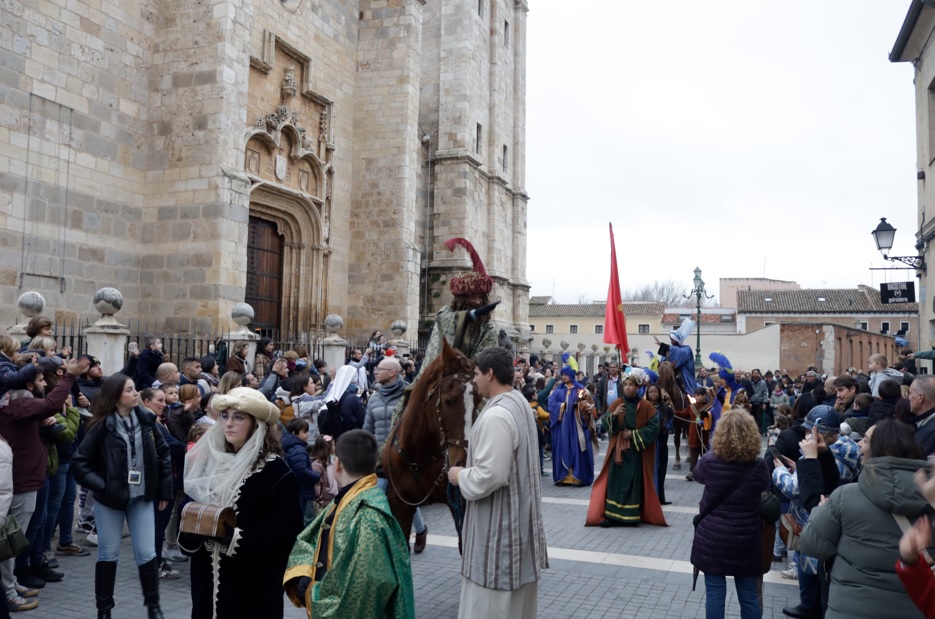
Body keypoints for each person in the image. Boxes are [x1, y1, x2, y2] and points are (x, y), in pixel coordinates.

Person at [181, 387, 303, 619]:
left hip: (250, 582)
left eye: (238, 417)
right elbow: (191, 505)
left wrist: (236, 537)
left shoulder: (276, 471)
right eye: (225, 416)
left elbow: (288, 530)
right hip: (207, 576)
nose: (228, 423)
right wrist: (191, 531)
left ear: (256, 425)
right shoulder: (211, 463)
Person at [447, 347, 548, 619]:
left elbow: (491, 475)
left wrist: (459, 476)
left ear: (490, 374)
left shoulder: (496, 416)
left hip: (499, 538)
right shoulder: (519, 404)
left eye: (477, 374)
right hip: (518, 530)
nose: (474, 380)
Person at [800, 419, 929, 619]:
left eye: (866, 441)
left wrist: (820, 511)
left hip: (850, 608)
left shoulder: (846, 497)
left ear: (880, 449)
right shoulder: (931, 500)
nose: (859, 445)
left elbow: (812, 544)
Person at [71, 373, 173, 619]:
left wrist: (164, 491)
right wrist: (104, 486)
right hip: (110, 501)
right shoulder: (102, 426)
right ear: (116, 397)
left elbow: (164, 455)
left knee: (146, 553)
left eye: (135, 388)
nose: (136, 393)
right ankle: (104, 610)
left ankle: (153, 606)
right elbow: (79, 464)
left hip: (141, 498)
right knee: (108, 554)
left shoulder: (147, 422)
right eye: (129, 390)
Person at [284, 430, 415, 618]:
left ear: (337, 464)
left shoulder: (368, 517)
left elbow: (366, 591)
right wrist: (305, 572)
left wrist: (314, 595)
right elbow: (311, 538)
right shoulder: (347, 500)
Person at [690, 409, 770, 619]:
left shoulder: (709, 461)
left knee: (715, 592)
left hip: (713, 536)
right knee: (748, 594)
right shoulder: (759, 465)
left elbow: (698, 476)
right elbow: (765, 486)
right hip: (746, 536)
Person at [363, 357, 430, 552]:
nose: (375, 371)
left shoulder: (408, 396)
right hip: (380, 459)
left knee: (405, 497)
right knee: (381, 495)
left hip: (404, 458)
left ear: (393, 372)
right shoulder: (374, 398)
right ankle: (395, 535)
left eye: (380, 368)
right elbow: (367, 428)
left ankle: (417, 531)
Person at [586, 374, 667, 527]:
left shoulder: (646, 406)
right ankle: (611, 516)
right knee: (614, 482)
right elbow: (605, 422)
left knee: (632, 482)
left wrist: (634, 434)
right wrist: (614, 415)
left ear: (637, 387)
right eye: (626, 385)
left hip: (635, 451)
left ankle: (630, 516)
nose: (628, 387)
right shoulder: (617, 403)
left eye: (631, 385)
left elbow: (654, 427)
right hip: (618, 450)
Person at [547, 366, 595, 486]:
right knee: (562, 448)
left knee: (577, 448)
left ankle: (577, 477)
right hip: (562, 426)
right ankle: (563, 477)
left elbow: (589, 404)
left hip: (576, 426)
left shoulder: (580, 390)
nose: (564, 377)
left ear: (572, 376)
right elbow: (551, 404)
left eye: (566, 375)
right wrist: (563, 406)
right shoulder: (558, 390)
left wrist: (581, 406)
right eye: (562, 375)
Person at [282, 418, 321, 524]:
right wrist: (317, 476)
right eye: (304, 432)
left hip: (296, 492)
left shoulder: (288, 447)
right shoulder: (298, 449)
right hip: (303, 492)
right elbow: (302, 472)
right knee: (308, 522)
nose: (308, 434)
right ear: (295, 433)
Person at [646, 383, 674, 506]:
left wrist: (666, 426)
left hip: (661, 443)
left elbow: (670, 421)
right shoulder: (643, 407)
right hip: (648, 443)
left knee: (661, 469)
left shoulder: (665, 408)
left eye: (655, 392)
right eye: (650, 392)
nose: (653, 394)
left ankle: (660, 497)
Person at [908, 375, 935, 455]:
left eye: (910, 393)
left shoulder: (931, 432)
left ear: (920, 398)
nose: (908, 397)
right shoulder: (925, 424)